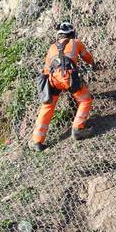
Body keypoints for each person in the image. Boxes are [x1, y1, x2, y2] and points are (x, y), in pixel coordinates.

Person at [30, 21, 95, 151]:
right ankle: (78, 129)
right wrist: (92, 63)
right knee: (85, 100)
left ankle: (37, 141)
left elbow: (46, 68)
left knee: (47, 106)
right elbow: (86, 57)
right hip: (69, 77)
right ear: (72, 33)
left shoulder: (52, 47)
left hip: (53, 79)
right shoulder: (76, 43)